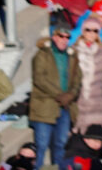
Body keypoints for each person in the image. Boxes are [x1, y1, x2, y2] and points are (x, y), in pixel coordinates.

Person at [30, 22, 81, 169]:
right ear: (54, 37)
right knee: (41, 145)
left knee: (61, 145)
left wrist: (71, 94)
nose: (64, 40)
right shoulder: (42, 55)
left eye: (67, 37)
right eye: (61, 36)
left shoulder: (72, 56)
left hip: (65, 107)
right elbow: (39, 79)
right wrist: (60, 95)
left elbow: (78, 78)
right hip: (44, 106)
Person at [71, 14, 102, 140]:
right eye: (88, 30)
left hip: (100, 97)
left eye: (95, 31)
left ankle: (99, 150)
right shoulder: (74, 50)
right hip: (81, 97)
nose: (91, 34)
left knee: (100, 129)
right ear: (83, 31)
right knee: (82, 128)